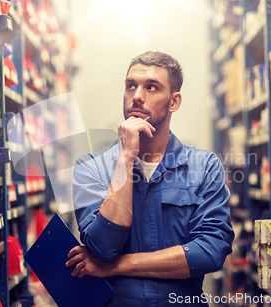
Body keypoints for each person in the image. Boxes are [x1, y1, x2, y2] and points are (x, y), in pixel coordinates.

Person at [66, 51, 234, 306]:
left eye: (151, 87)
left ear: (174, 102)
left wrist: (116, 266)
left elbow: (210, 252)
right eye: (130, 85)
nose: (137, 95)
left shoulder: (205, 166)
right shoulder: (90, 168)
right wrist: (125, 158)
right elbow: (102, 248)